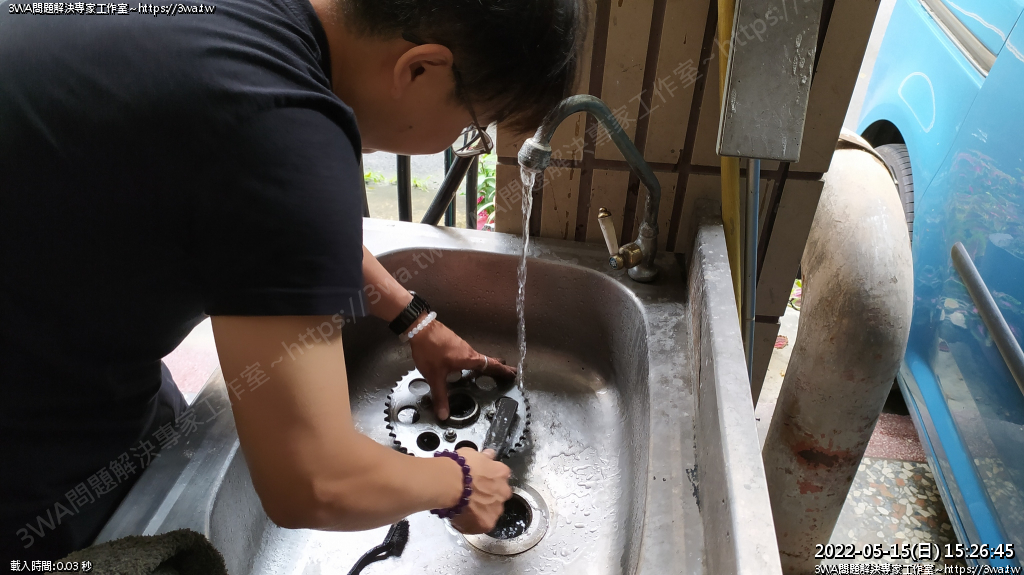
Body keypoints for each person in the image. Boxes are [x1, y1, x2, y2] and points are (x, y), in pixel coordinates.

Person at [0, 0, 585, 560]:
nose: (465, 140)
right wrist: (457, 482)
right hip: (35, 437)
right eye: (475, 126)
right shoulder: (282, 128)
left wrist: (413, 319)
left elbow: (279, 223)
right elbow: (312, 484)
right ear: (421, 68)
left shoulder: (257, 38)